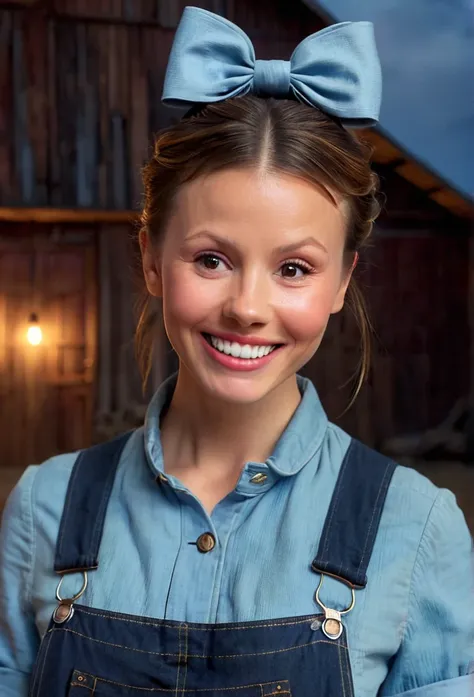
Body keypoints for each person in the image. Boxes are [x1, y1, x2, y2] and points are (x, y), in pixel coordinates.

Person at [1, 7, 473, 697]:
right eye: (213, 259)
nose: (248, 308)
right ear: (153, 260)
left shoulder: (418, 527)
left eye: (294, 268)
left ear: (342, 280)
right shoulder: (43, 508)